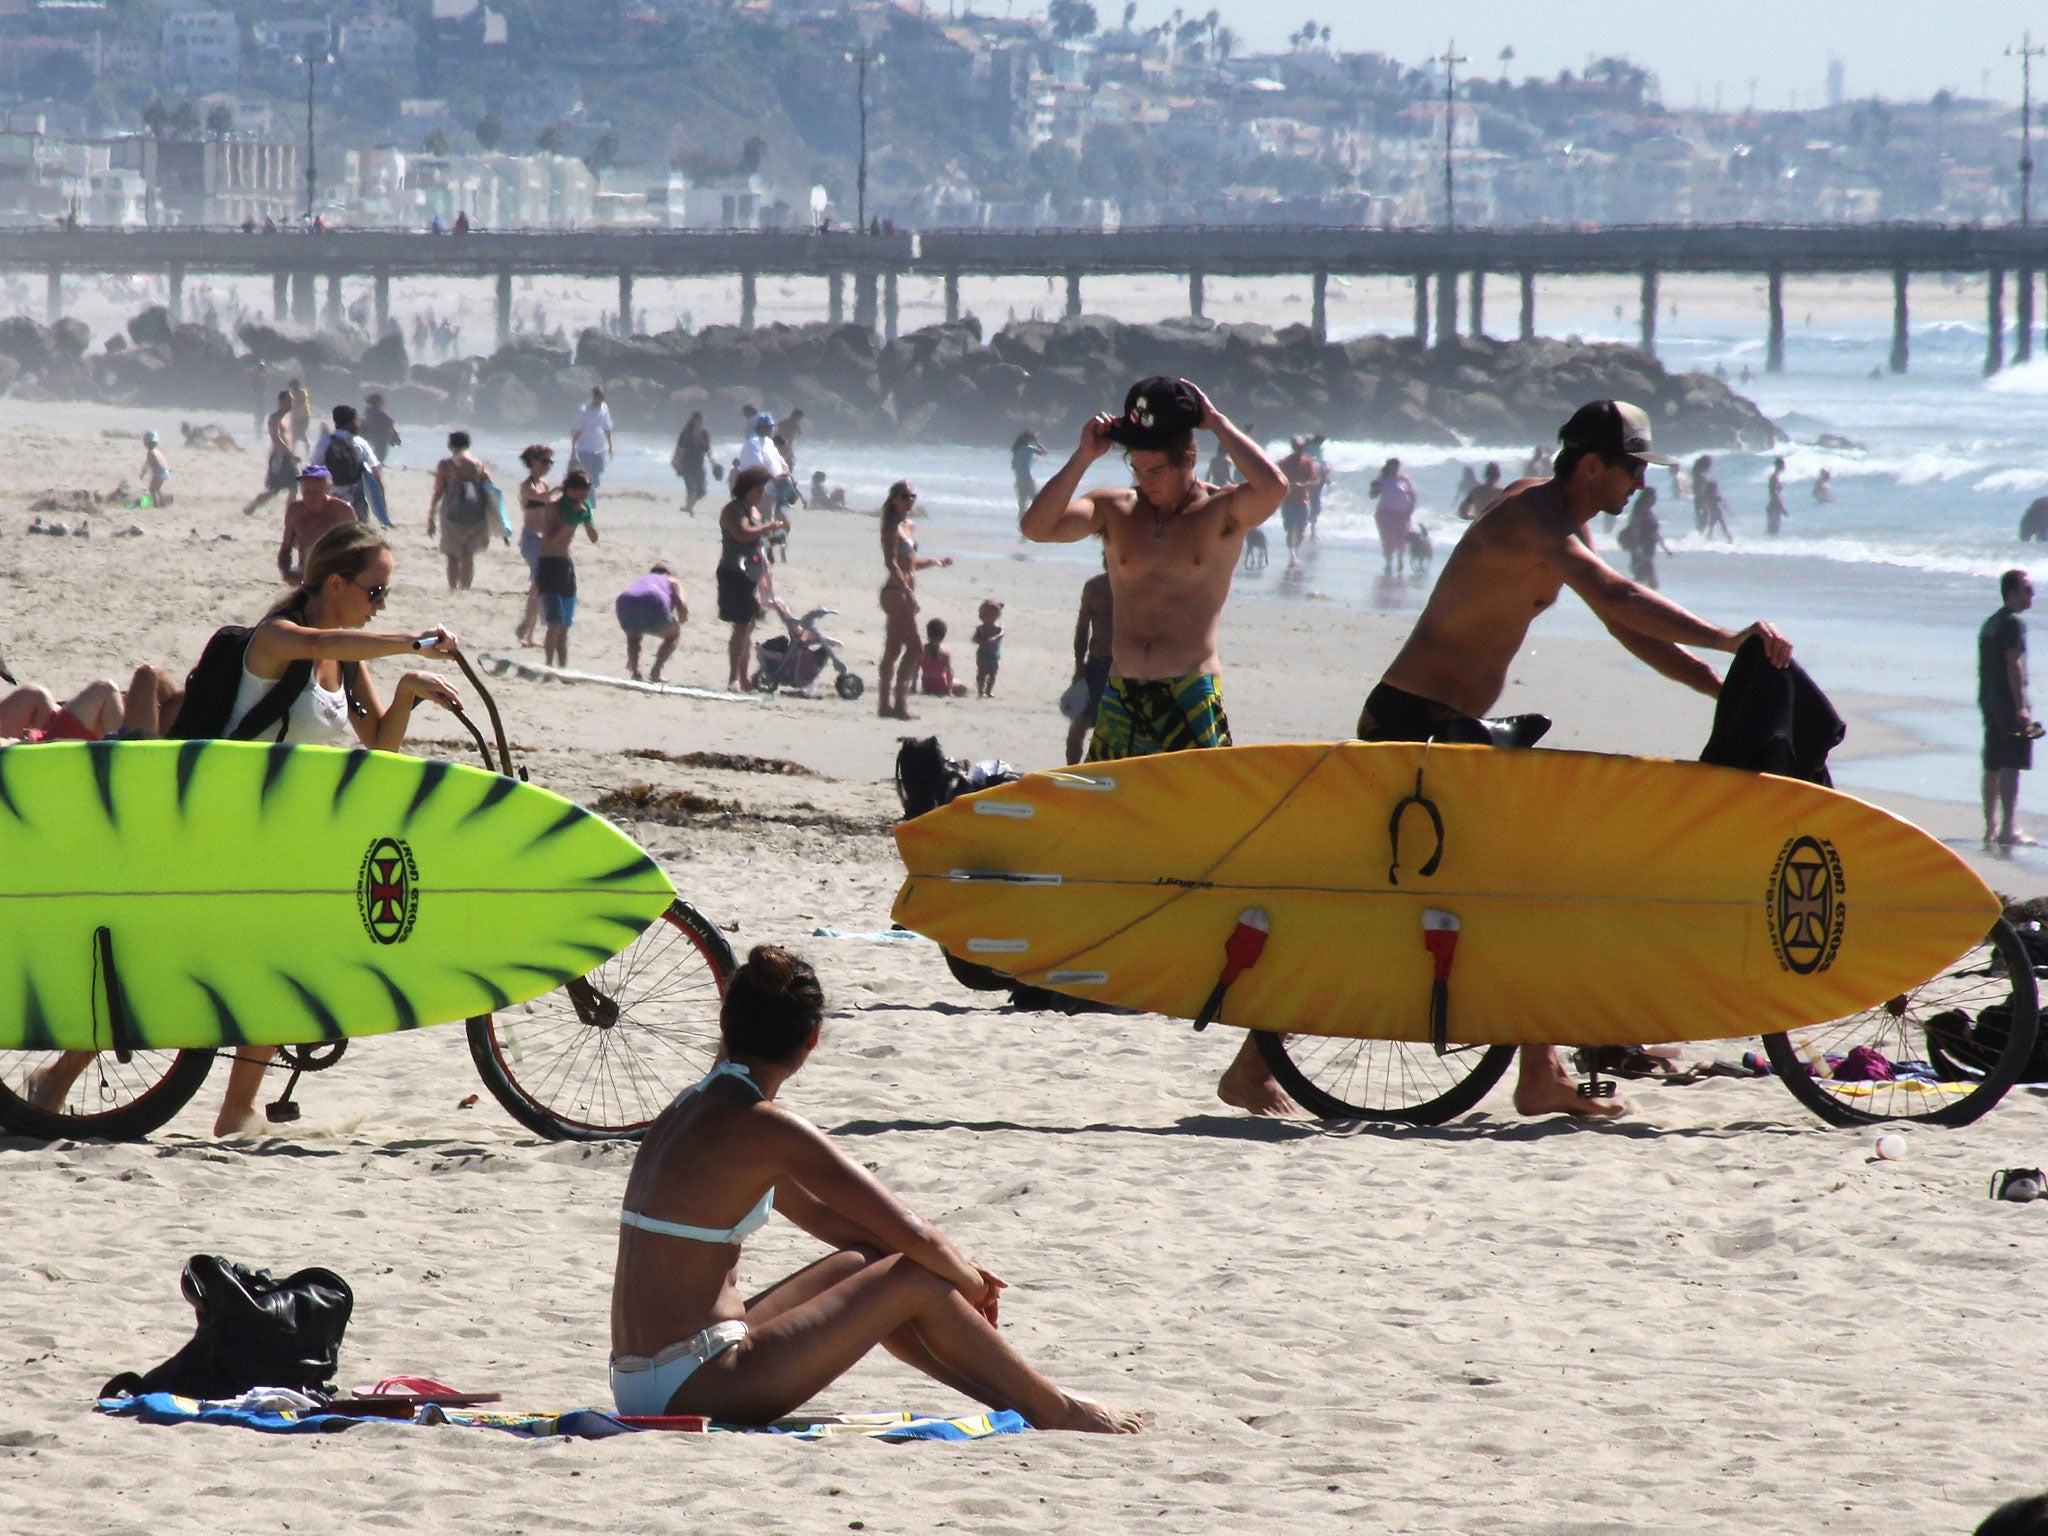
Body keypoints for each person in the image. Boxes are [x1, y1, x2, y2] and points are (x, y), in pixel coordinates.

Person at [1353, 399, 1793, 1120]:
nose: (1641, 487)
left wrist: (1715, 684)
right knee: (1522, 888)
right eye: (1633, 471)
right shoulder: (1533, 517)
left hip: (1450, 728)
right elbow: (1619, 592)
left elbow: (1622, 622)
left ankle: (1541, 1067)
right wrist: (1727, 637)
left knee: (1512, 889)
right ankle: (1540, 1071)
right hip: (1418, 725)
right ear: (1593, 465)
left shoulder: (1564, 522)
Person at [26, 525, 463, 1137]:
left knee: (272, 965)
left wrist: (409, 692)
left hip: (272, 839)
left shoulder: (347, 661)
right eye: (376, 590)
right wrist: (412, 644)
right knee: (173, 964)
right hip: (212, 828)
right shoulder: (279, 638)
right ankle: (64, 1078)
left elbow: (379, 748)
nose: (380, 604)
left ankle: (229, 1110)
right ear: (336, 583)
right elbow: (324, 638)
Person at [607, 944, 1141, 1432]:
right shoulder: (767, 1125)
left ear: (725, 1022)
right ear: (811, 1040)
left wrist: (946, 1267)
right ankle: (1055, 1408)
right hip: (699, 1382)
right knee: (916, 1275)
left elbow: (826, 1219)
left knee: (871, 1259)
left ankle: (1020, 1398)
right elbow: (917, 1234)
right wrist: (971, 1284)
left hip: (641, 1376)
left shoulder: (688, 1105)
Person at [1021, 375, 1291, 1116]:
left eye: (1157, 468)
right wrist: (1083, 457)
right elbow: (1037, 527)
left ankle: (1208, 971)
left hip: (1188, 697)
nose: (1145, 482)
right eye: (1135, 468)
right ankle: (1114, 966)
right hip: (1124, 694)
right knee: (1104, 829)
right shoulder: (1116, 512)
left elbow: (1277, 486)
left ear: (1189, 453)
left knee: (1210, 840)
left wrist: (1217, 413)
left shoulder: (1223, 513)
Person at [877, 480, 952, 720]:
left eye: (912, 496)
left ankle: (884, 705)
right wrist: (908, 592)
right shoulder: (891, 527)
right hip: (895, 593)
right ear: (894, 499)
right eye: (905, 496)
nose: (910, 500)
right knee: (916, 648)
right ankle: (899, 703)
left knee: (893, 649)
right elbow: (891, 563)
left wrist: (933, 562)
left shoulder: (909, 525)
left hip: (903, 591)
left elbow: (911, 563)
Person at [1982, 569, 2038, 848]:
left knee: (1992, 763)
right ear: (2012, 592)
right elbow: (2013, 664)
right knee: (2010, 764)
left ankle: (1990, 828)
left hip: (1989, 700)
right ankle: (2008, 829)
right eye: (2028, 590)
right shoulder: (2013, 623)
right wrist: (2021, 706)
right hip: (2007, 702)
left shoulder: (1991, 623)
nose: (2032, 595)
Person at [717, 466, 786, 692]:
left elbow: (757, 542)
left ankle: (743, 677)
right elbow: (742, 534)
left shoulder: (754, 511)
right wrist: (768, 526)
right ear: (747, 489)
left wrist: (776, 537)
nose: (761, 494)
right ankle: (732, 677)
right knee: (741, 626)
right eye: (758, 490)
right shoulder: (733, 510)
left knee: (748, 627)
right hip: (734, 573)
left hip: (752, 573)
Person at [535, 468, 598, 668]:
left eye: (587, 494)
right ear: (570, 490)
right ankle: (548, 665)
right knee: (555, 620)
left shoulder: (582, 506)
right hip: (549, 564)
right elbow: (550, 540)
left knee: (565, 624)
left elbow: (594, 538)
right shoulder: (553, 508)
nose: (584, 497)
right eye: (582, 493)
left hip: (566, 564)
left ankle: (563, 668)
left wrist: (586, 519)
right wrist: (570, 522)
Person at [426, 431, 501, 592]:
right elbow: (492, 492)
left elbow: (438, 492)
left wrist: (431, 517)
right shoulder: (479, 465)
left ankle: (453, 588)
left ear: (450, 446)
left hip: (450, 514)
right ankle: (464, 589)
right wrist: (499, 518)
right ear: (468, 445)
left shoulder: (445, 466)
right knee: (468, 555)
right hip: (475, 515)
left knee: (452, 556)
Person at [1065, 562, 1114, 765]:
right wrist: (1079, 666)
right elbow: (1082, 628)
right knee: (1078, 725)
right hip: (1096, 665)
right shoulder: (1095, 587)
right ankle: (1072, 772)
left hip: (1125, 667)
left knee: (1114, 728)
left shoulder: (1136, 588)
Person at [277, 464, 359, 585]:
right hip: (307, 572)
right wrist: (286, 573)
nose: (310, 496)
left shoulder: (342, 511)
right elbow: (285, 548)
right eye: (306, 491)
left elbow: (358, 546)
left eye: (315, 491)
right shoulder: (295, 511)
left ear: (327, 489)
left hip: (337, 573)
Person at [312, 405, 389, 528]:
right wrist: (383, 512)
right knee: (358, 532)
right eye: (357, 421)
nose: (359, 424)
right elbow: (375, 475)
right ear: (351, 423)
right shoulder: (360, 443)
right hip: (355, 498)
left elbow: (314, 471)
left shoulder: (324, 443)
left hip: (331, 497)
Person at [617, 563, 688, 682]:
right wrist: (682, 618)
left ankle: (635, 671)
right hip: (654, 600)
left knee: (634, 637)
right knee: (673, 636)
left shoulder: (643, 579)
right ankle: (655, 672)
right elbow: (681, 602)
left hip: (625, 601)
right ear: (666, 573)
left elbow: (638, 596)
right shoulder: (671, 580)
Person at [242, 390, 298, 517]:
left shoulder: (287, 420)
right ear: (281, 401)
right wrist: (291, 454)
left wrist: (291, 454)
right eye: (289, 401)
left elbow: (287, 439)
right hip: (278, 458)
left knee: (294, 485)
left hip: (287, 457)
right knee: (274, 490)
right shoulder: (274, 418)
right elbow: (276, 439)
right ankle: (252, 507)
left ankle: (290, 515)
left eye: (293, 401)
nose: (291, 404)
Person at [1614, 485, 1672, 589]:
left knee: (1642, 582)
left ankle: (1625, 599)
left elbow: (1655, 533)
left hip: (1648, 551)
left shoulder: (1648, 512)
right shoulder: (1639, 511)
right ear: (1647, 497)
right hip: (1641, 551)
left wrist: (1665, 548)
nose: (1655, 499)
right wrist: (1637, 548)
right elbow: (1634, 530)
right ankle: (1623, 598)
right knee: (1649, 583)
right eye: (1653, 497)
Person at [1274, 437, 1320, 567]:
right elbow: (1275, 478)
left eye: (1301, 448)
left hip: (1303, 500)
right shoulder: (1284, 462)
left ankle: (1295, 550)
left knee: (1301, 530)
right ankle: (1292, 554)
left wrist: (1303, 484)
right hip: (1287, 500)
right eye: (1297, 447)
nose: (1299, 450)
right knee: (1290, 529)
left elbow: (1315, 480)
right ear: (1293, 447)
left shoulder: (1308, 462)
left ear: (1304, 448)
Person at [1369, 458, 1417, 575]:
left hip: (1402, 514)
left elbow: (1413, 495)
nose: (1395, 469)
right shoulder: (1382, 479)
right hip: (1385, 513)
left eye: (1397, 466)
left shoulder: (1404, 479)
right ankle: (1388, 563)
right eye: (1393, 466)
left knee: (1401, 538)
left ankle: (1400, 559)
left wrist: (1411, 508)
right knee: (1387, 539)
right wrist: (1374, 488)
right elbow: (1372, 496)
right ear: (1389, 466)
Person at [571, 386, 614, 490]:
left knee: (599, 470)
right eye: (598, 396)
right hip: (585, 448)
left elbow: (607, 427)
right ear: (594, 397)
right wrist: (573, 445)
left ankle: (592, 489)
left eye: (602, 397)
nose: (600, 399)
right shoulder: (584, 409)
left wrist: (610, 446)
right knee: (589, 475)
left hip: (600, 448)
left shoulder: (604, 408)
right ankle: (591, 500)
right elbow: (578, 428)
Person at [672, 411, 713, 514]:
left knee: (701, 491)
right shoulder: (686, 433)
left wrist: (714, 463)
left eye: (702, 420)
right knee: (691, 488)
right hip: (687, 464)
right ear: (694, 420)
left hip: (699, 464)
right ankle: (689, 507)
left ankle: (688, 506)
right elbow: (679, 448)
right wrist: (676, 461)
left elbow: (708, 450)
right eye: (699, 420)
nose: (701, 422)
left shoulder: (704, 434)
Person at [918, 618, 964, 697]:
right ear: (943, 635)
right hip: (941, 684)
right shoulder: (945, 651)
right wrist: (949, 691)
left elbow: (915, 670)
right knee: (962, 687)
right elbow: (950, 672)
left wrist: (913, 687)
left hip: (926, 685)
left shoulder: (921, 650)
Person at [972, 599, 1004, 698]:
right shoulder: (980, 629)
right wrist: (978, 638)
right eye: (987, 616)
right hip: (982, 655)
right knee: (981, 673)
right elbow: (974, 640)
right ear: (982, 616)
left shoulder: (998, 628)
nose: (990, 618)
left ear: (997, 616)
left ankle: (989, 690)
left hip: (994, 656)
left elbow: (1002, 633)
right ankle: (980, 689)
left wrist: (995, 638)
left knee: (993, 674)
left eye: (992, 616)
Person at [1010, 431, 1046, 515]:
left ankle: (1021, 523)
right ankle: (1041, 519)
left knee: (1022, 504)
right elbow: (1044, 452)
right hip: (1027, 478)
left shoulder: (1017, 450)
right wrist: (1037, 443)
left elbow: (1013, 466)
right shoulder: (1028, 448)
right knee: (1037, 500)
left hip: (1019, 479)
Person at [361, 392, 401, 463]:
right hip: (380, 437)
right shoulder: (379, 413)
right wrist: (394, 436)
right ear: (377, 402)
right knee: (380, 454)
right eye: (381, 402)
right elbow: (388, 424)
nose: (383, 403)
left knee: (374, 452)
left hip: (369, 435)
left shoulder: (368, 411)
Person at [140, 431, 170, 508]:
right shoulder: (157, 451)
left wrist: (143, 474)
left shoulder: (150, 453)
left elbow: (147, 464)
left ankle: (155, 505)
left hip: (159, 473)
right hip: (165, 472)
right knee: (157, 489)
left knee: (152, 489)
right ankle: (164, 502)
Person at [1764, 456, 1789, 537]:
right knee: (1773, 531)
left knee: (1773, 530)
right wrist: (1781, 507)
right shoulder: (1774, 478)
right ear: (1780, 466)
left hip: (1774, 505)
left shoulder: (1775, 477)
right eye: (1783, 465)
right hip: (1774, 506)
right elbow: (1774, 494)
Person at [287, 378, 312, 454]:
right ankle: (293, 452)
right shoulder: (291, 394)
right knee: (294, 435)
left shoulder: (303, 393)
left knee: (300, 433)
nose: (293, 388)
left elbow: (300, 402)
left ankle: (307, 447)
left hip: (304, 417)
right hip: (295, 417)